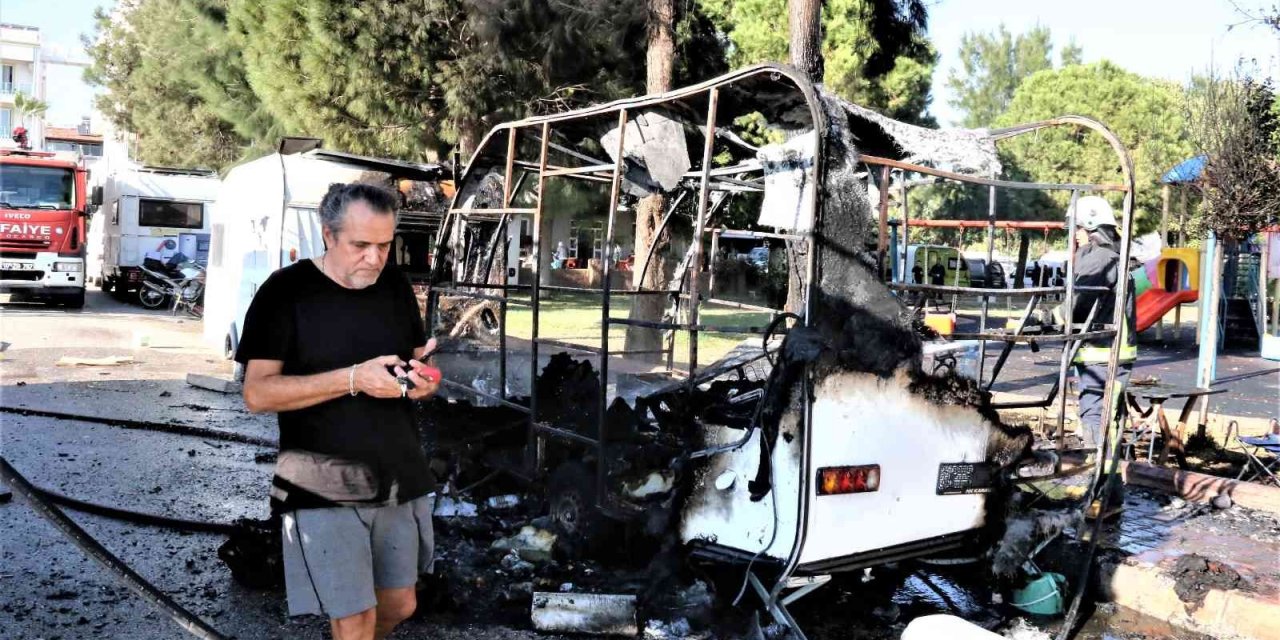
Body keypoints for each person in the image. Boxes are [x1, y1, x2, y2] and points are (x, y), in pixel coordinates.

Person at [237, 183, 441, 640]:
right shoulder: (285, 292)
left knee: (400, 603)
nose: (374, 258)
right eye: (361, 245)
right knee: (353, 619)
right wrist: (352, 379)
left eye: (384, 246)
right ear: (328, 236)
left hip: (398, 473)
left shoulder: (394, 286)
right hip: (321, 481)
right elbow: (257, 394)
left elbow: (410, 362)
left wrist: (421, 380)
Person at [1064, 196, 1137, 455]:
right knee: (1111, 418)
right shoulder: (1114, 256)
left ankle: (1099, 485)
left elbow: (1078, 302)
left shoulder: (1098, 258)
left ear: (1091, 227)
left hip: (1101, 354)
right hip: (1114, 354)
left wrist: (1052, 317)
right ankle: (1110, 486)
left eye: (1078, 229)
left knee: (1096, 416)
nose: (1075, 237)